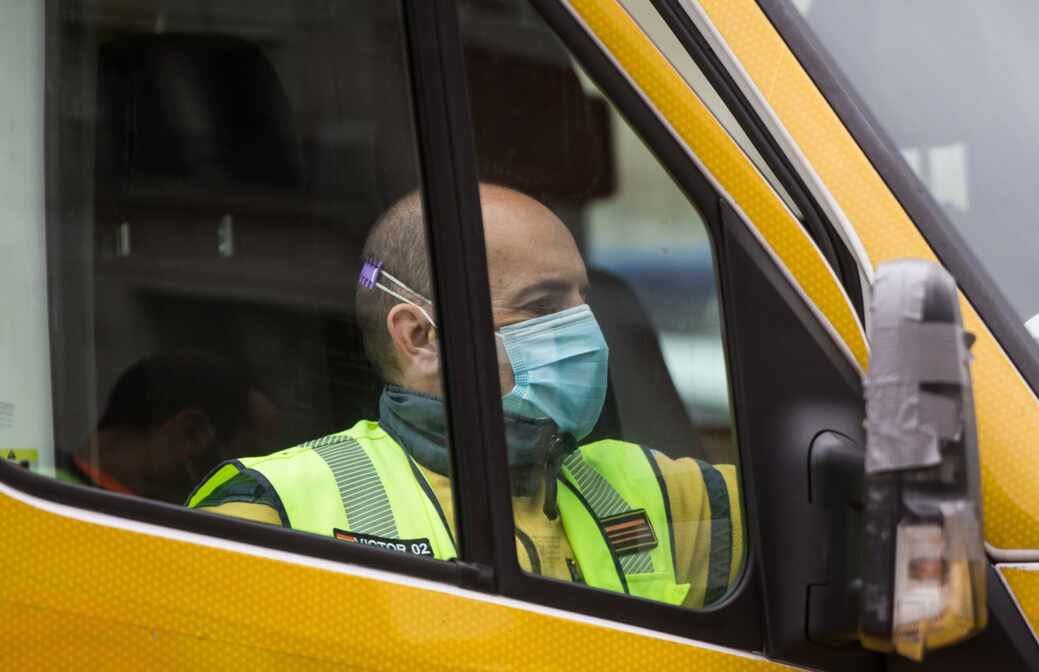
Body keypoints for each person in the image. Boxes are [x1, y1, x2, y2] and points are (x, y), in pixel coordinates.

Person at [188, 185, 741, 608]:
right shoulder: (273, 509)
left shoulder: (661, 491)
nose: (588, 329)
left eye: (582, 300)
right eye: (544, 307)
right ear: (421, 337)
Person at [59, 351, 278, 503]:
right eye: (250, 454)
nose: (252, 483)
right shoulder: (130, 526)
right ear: (191, 432)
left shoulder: (42, 483)